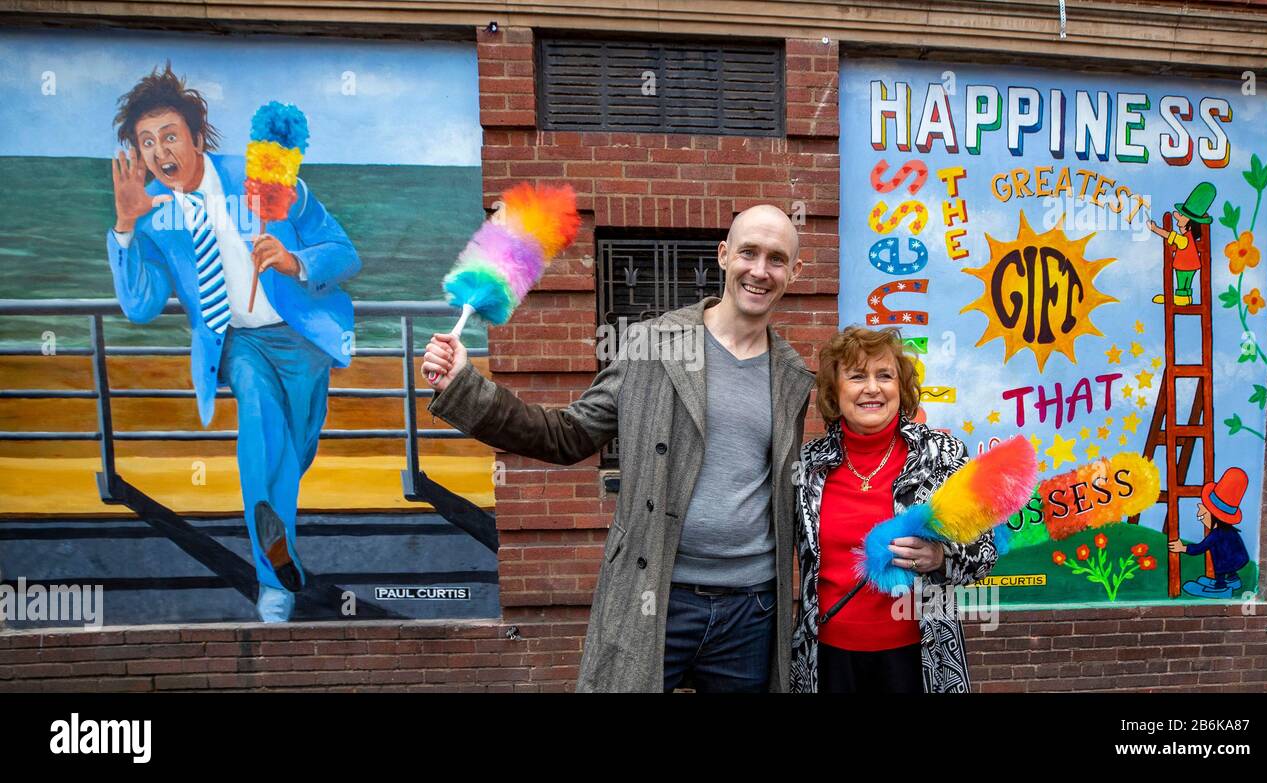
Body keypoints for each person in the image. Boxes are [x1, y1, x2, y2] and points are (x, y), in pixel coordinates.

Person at [422, 204, 814, 692]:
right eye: (748, 253)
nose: (760, 270)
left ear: (794, 271)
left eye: (776, 259)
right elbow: (567, 435)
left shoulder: (793, 376)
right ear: (723, 255)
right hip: (653, 593)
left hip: (752, 609)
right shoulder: (653, 344)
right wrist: (464, 386)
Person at [106, 64, 361, 622]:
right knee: (259, 436)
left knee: (292, 456)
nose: (159, 151)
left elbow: (344, 253)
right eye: (146, 143)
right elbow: (141, 305)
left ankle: (280, 543)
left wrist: (295, 262)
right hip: (240, 345)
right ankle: (274, 581)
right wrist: (125, 228)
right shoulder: (151, 215)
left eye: (169, 135)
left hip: (303, 339)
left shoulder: (262, 175)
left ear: (197, 137)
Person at [790, 326, 997, 693]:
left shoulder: (941, 456)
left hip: (919, 657)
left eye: (884, 376)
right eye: (856, 376)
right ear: (835, 393)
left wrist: (941, 556)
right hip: (828, 660)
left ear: (900, 389)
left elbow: (986, 551)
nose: (872, 388)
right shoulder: (808, 466)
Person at [1169, 466, 1250, 598]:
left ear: (1214, 515)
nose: (1202, 518)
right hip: (1239, 559)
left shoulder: (1216, 535)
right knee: (1225, 560)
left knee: (1221, 564)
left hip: (1227, 562)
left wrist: (1182, 548)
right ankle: (1233, 579)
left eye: (1204, 515)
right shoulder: (1229, 531)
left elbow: (1200, 548)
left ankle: (1221, 587)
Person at [1147, 181, 1216, 306]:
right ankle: (1185, 297)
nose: (1177, 216)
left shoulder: (1184, 239)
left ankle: (1181, 298)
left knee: (1182, 283)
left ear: (1190, 222)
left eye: (1182, 216)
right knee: (1186, 283)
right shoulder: (1188, 237)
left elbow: (1169, 235)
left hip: (1184, 266)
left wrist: (1155, 229)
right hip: (1191, 266)